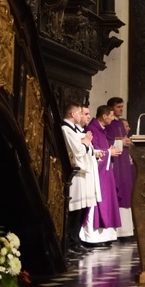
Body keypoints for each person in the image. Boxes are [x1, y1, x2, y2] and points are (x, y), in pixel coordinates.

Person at [60, 101, 100, 256]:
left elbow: (84, 148)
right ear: (72, 114)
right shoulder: (66, 129)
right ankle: (70, 242)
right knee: (74, 210)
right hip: (75, 175)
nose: (83, 116)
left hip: (82, 173)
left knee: (81, 210)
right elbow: (77, 151)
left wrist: (86, 144)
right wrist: (85, 144)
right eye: (80, 112)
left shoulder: (76, 130)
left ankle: (75, 240)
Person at [81, 105, 122, 247]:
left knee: (106, 201)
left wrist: (108, 151)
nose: (112, 118)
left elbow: (99, 149)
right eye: (111, 115)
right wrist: (109, 153)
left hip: (104, 172)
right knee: (97, 202)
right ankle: (93, 238)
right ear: (104, 116)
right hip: (97, 173)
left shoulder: (100, 130)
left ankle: (105, 236)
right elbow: (92, 151)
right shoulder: (92, 129)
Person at [105, 97, 135, 239]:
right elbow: (107, 141)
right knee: (119, 193)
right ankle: (119, 232)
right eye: (118, 107)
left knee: (126, 192)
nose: (121, 109)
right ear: (111, 108)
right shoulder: (109, 124)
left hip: (123, 163)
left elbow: (122, 140)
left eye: (122, 107)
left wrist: (126, 142)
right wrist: (120, 142)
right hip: (115, 163)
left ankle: (127, 231)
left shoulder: (120, 124)